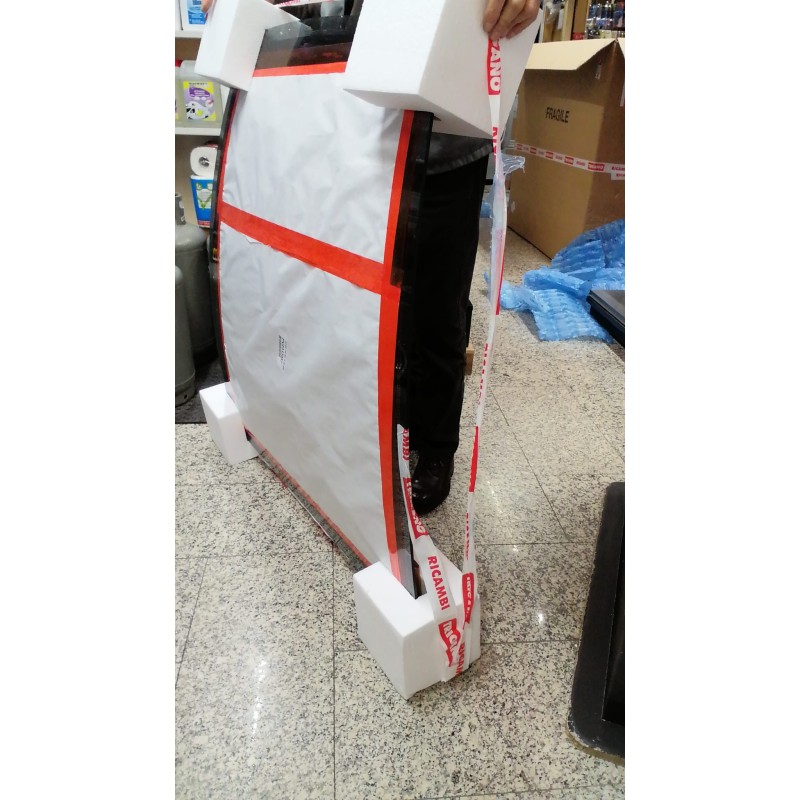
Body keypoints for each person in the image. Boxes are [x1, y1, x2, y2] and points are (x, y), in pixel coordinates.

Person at [199, 0, 540, 515]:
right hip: (359, 127)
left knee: (437, 309)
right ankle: (371, 422)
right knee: (354, 294)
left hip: (449, 133)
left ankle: (435, 446)